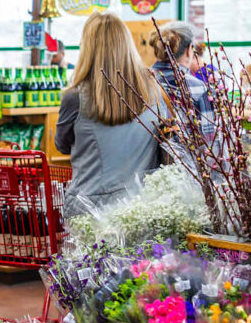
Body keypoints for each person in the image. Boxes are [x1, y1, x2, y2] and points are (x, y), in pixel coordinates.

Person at [55, 12, 162, 217]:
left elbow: (61, 145)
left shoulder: (75, 97)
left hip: (90, 209)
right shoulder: (153, 90)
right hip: (143, 206)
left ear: (87, 49)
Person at [149, 21, 215, 139]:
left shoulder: (139, 81)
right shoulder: (198, 88)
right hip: (181, 156)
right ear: (189, 50)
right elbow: (209, 139)